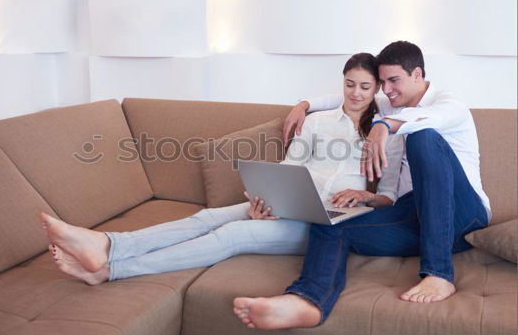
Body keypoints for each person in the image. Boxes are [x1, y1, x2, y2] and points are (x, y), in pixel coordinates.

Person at [40, 53, 404, 285]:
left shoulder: (390, 130)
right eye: (349, 84)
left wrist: (366, 194)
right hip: (292, 205)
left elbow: (389, 197)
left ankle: (109, 270)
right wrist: (269, 198)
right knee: (206, 218)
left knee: (231, 236)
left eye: (365, 87)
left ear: (377, 91)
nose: (355, 93)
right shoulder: (316, 122)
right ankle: (108, 244)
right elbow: (291, 166)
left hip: (329, 223)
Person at [233, 40, 490, 330]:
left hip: (464, 215)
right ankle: (307, 301)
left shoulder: (449, 104)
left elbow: (427, 119)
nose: (387, 89)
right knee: (333, 221)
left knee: (424, 137)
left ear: (417, 74)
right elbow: (345, 99)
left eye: (394, 80)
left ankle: (439, 274)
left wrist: (383, 126)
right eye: (382, 83)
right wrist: (303, 105)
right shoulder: (392, 102)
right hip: (414, 214)